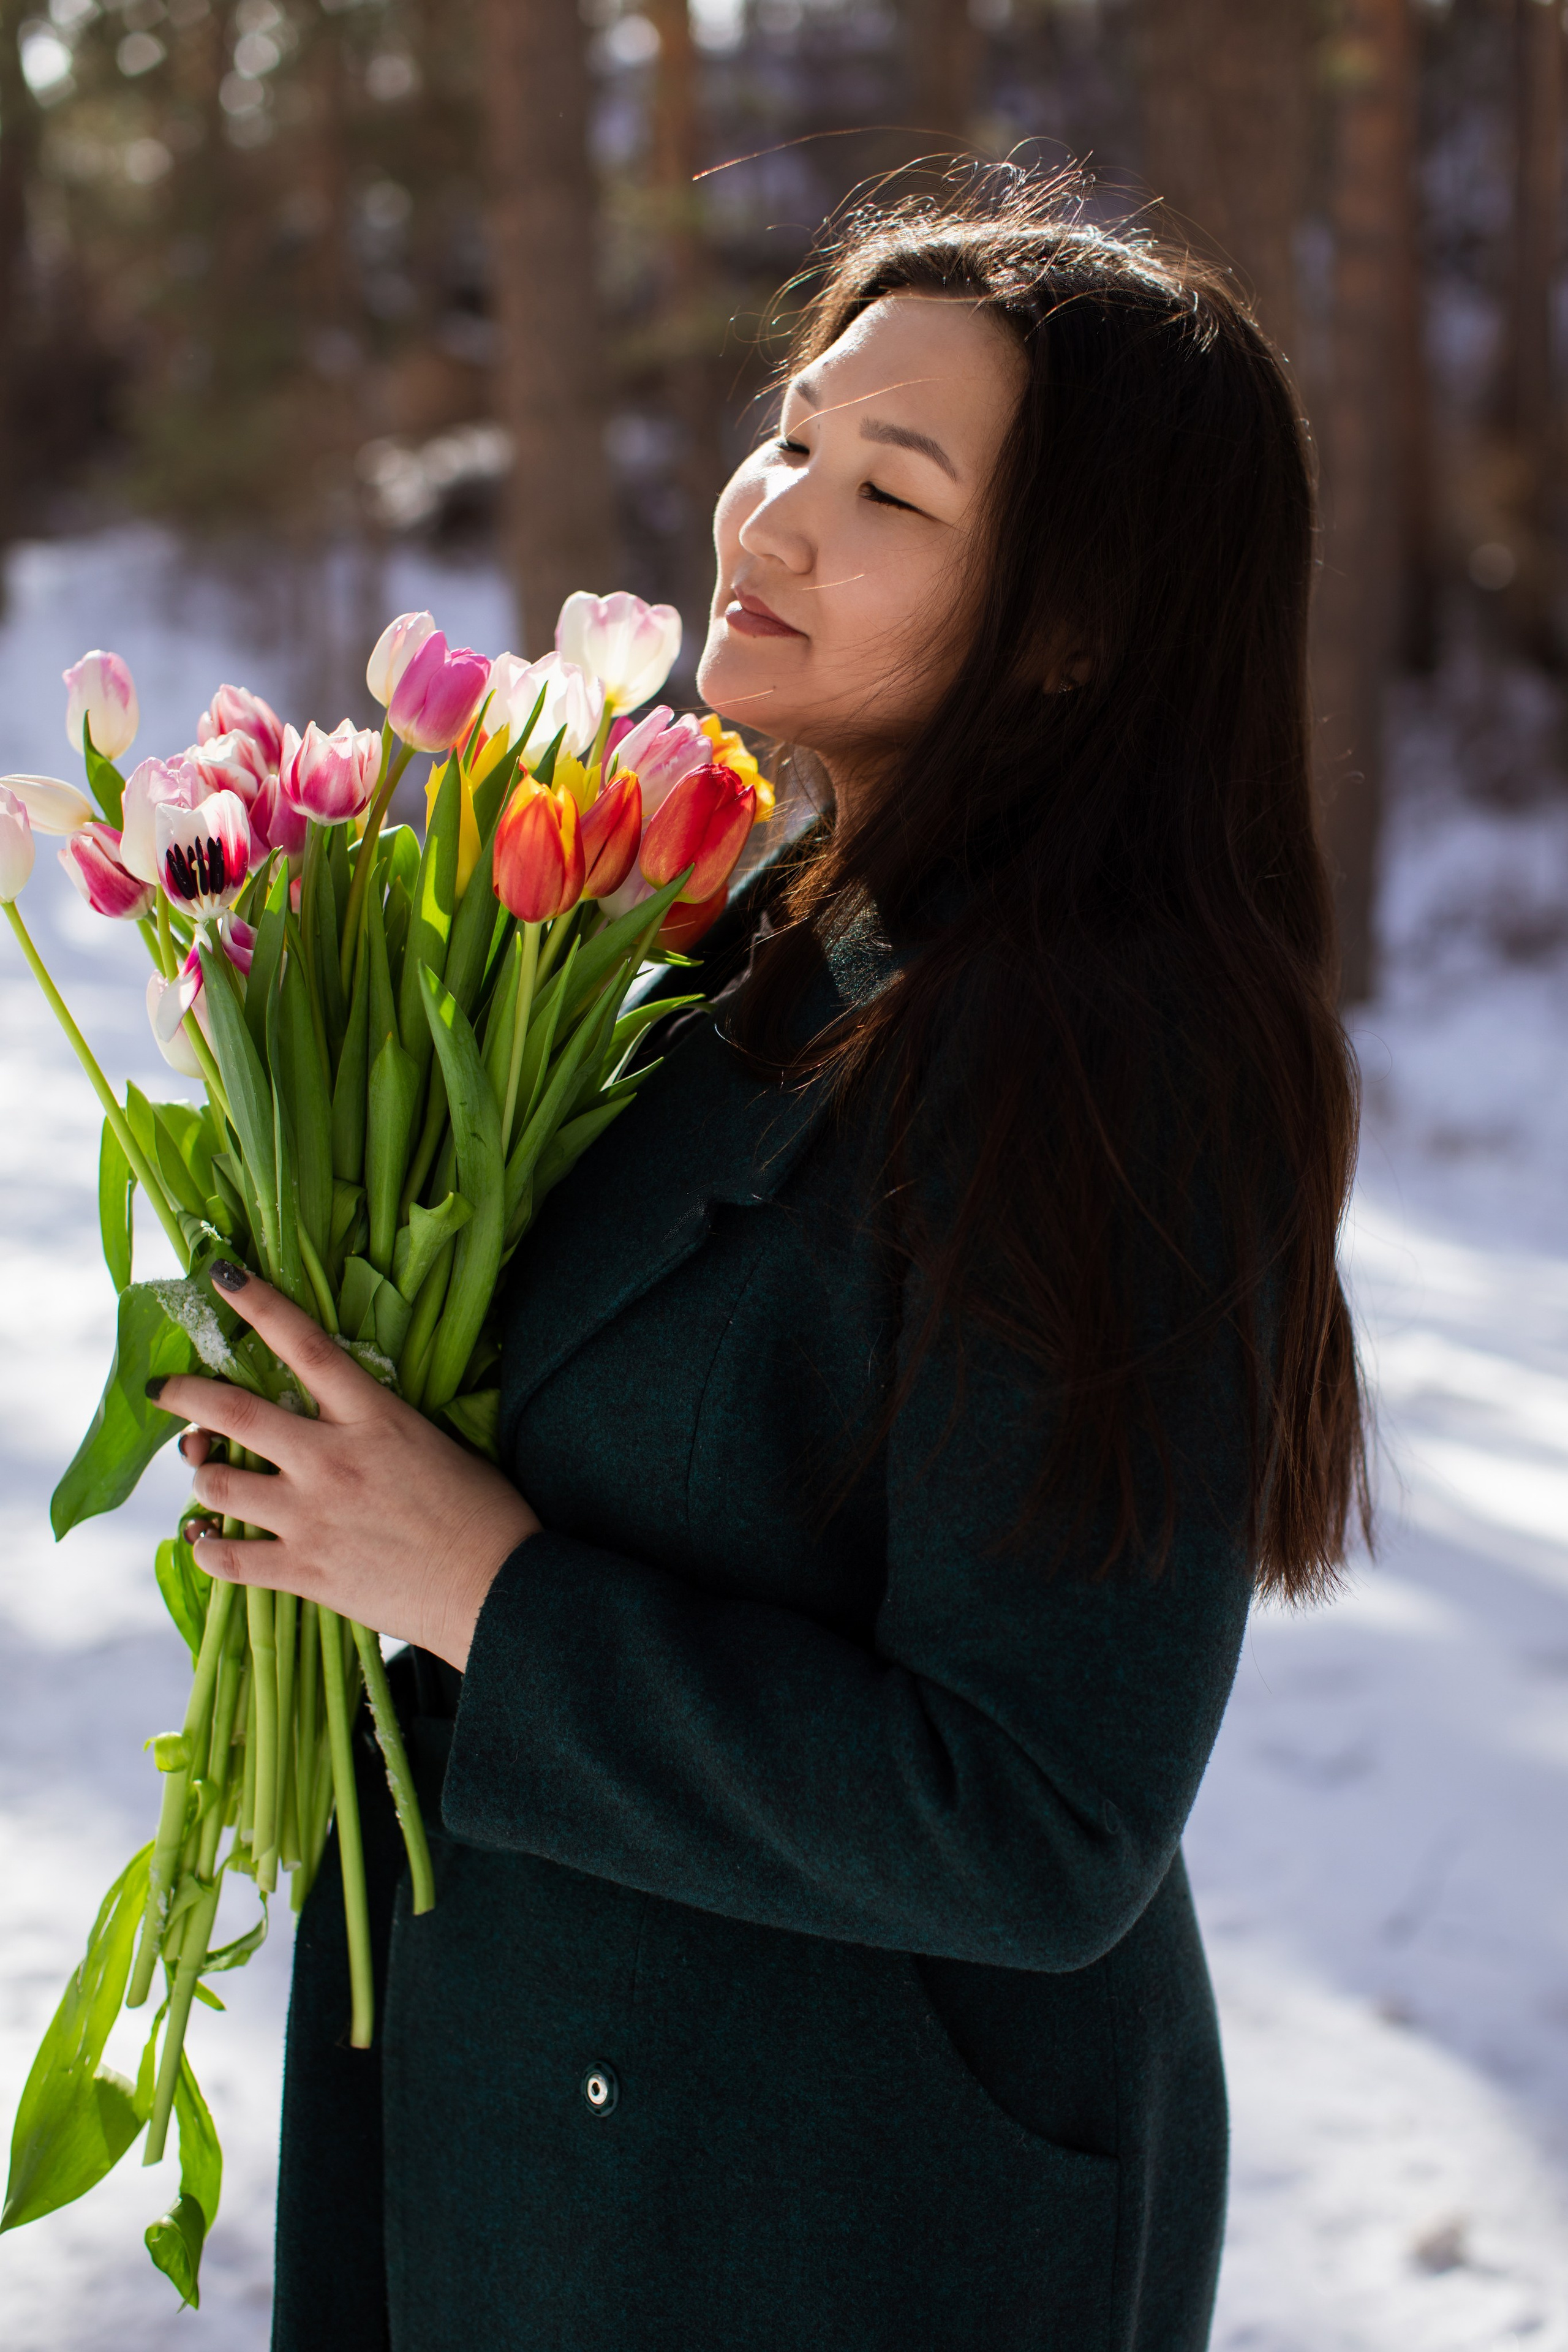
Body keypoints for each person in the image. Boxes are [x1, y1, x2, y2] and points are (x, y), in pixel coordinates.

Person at [157, 165, 1368, 2352]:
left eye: (888, 488)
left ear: (1076, 626)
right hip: (527, 2111)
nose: (774, 512)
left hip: (825, 2209)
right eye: (795, 433)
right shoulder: (749, 942)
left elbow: (1038, 1820)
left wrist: (476, 1592)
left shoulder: (1112, 1063)